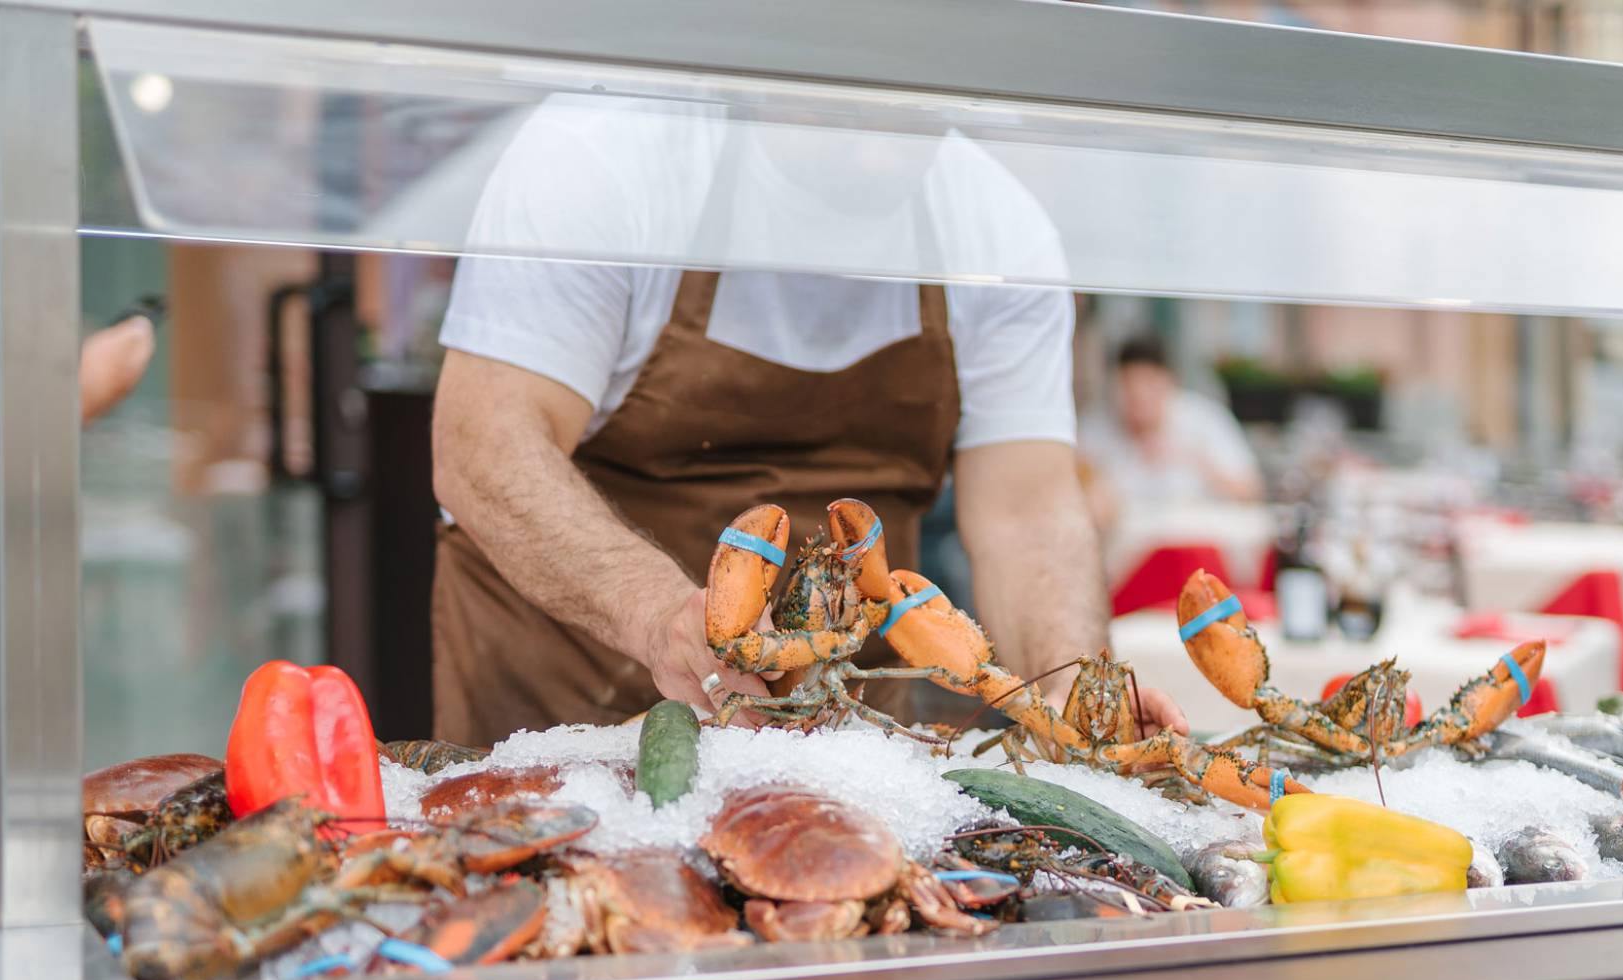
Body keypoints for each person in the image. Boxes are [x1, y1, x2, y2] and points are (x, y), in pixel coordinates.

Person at [428, 95, 1186, 745]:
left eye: (910, 120)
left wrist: (1066, 690)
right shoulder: (607, 152)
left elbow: (1027, 511)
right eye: (842, 111)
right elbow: (484, 443)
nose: (874, 159)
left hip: (852, 751)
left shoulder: (996, 226)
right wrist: (660, 616)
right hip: (571, 724)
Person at [1079, 336, 1265, 534]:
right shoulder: (1095, 430)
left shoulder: (1205, 419)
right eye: (1129, 384)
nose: (1139, 394)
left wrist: (1192, 460)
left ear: (1169, 381)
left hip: (1198, 542)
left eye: (1149, 382)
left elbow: (1251, 491)